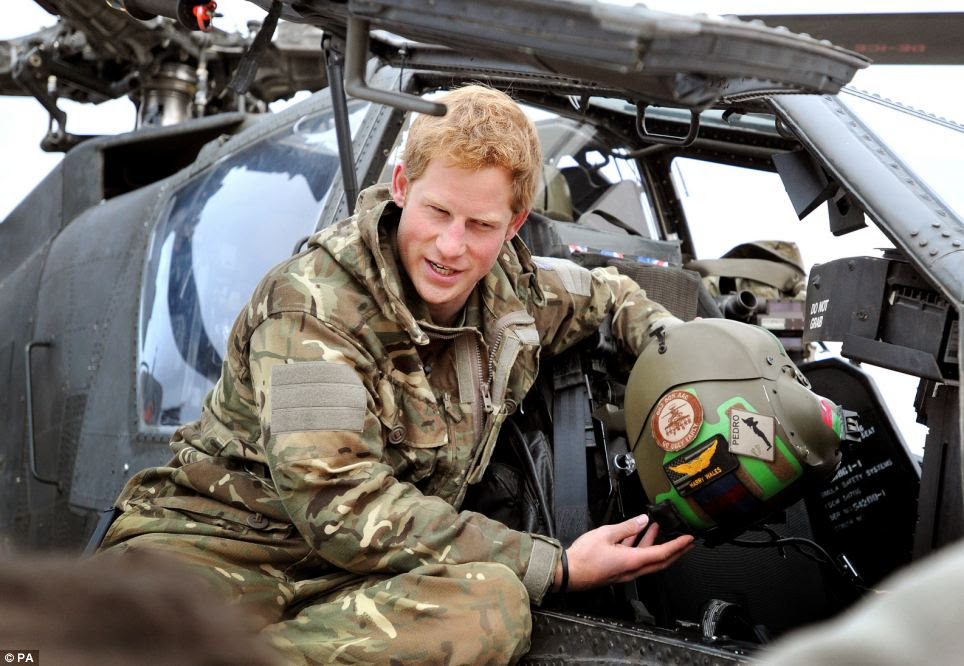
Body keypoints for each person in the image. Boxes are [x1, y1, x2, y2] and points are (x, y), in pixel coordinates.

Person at [100, 85, 693, 664]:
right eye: (437, 211)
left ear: (513, 227)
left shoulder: (513, 294)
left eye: (481, 226)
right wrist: (558, 565)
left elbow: (613, 298)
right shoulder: (311, 307)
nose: (451, 246)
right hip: (225, 551)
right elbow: (338, 502)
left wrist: (691, 364)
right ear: (403, 188)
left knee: (494, 607)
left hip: (360, 576)